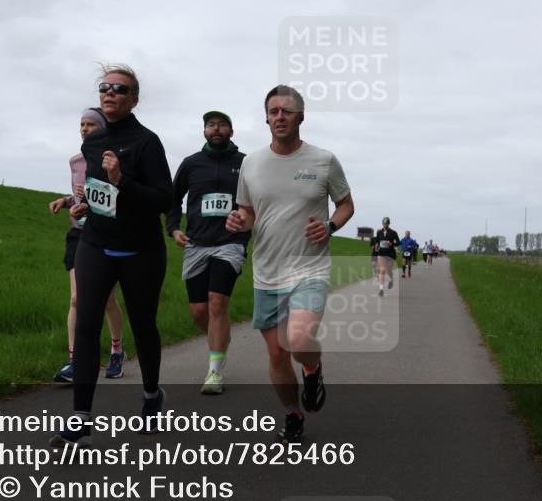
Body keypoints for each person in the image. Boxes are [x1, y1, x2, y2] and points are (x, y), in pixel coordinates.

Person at [51, 63, 173, 448]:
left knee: (143, 326)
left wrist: (123, 180)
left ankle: (152, 396)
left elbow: (163, 199)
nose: (110, 93)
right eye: (105, 87)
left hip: (140, 249)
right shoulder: (91, 143)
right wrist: (84, 205)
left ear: (134, 99)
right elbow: (100, 193)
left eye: (120, 89)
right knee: (87, 324)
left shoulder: (147, 142)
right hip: (97, 243)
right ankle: (80, 417)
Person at [226, 85, 353, 444]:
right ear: (266, 117)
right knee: (277, 353)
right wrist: (239, 222)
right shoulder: (251, 163)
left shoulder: (324, 160)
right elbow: (248, 212)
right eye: (273, 111)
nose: (279, 116)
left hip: (309, 268)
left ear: (301, 116)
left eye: (287, 111)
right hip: (267, 271)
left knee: (298, 338)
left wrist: (329, 226)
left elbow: (345, 205)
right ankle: (293, 414)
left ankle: (312, 369)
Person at [166, 110, 250, 395]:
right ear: (204, 131)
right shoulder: (191, 164)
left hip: (231, 243)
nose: (216, 129)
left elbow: (258, 201)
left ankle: (214, 372)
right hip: (196, 243)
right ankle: (219, 340)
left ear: (231, 131)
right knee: (200, 311)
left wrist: (246, 224)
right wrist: (174, 229)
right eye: (210, 125)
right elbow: (172, 200)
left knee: (216, 303)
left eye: (222, 125)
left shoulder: (245, 164)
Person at [48, 108, 127, 384]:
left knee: (106, 301)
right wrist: (67, 201)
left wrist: (91, 200)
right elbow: (79, 193)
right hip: (79, 234)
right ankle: (74, 360)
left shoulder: (117, 158)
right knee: (76, 298)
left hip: (107, 235)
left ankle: (117, 350)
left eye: (91, 124)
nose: (84, 128)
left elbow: (121, 196)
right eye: (81, 124)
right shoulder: (76, 161)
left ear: (104, 128)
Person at [372, 217, 400, 296]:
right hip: (381, 253)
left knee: (389, 270)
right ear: (382, 224)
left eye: (386, 224)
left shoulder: (393, 232)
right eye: (384, 224)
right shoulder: (379, 232)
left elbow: (398, 242)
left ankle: (391, 279)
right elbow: (377, 240)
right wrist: (377, 245)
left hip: (390, 254)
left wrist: (392, 244)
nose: (385, 225)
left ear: (389, 223)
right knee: (382, 270)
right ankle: (381, 289)